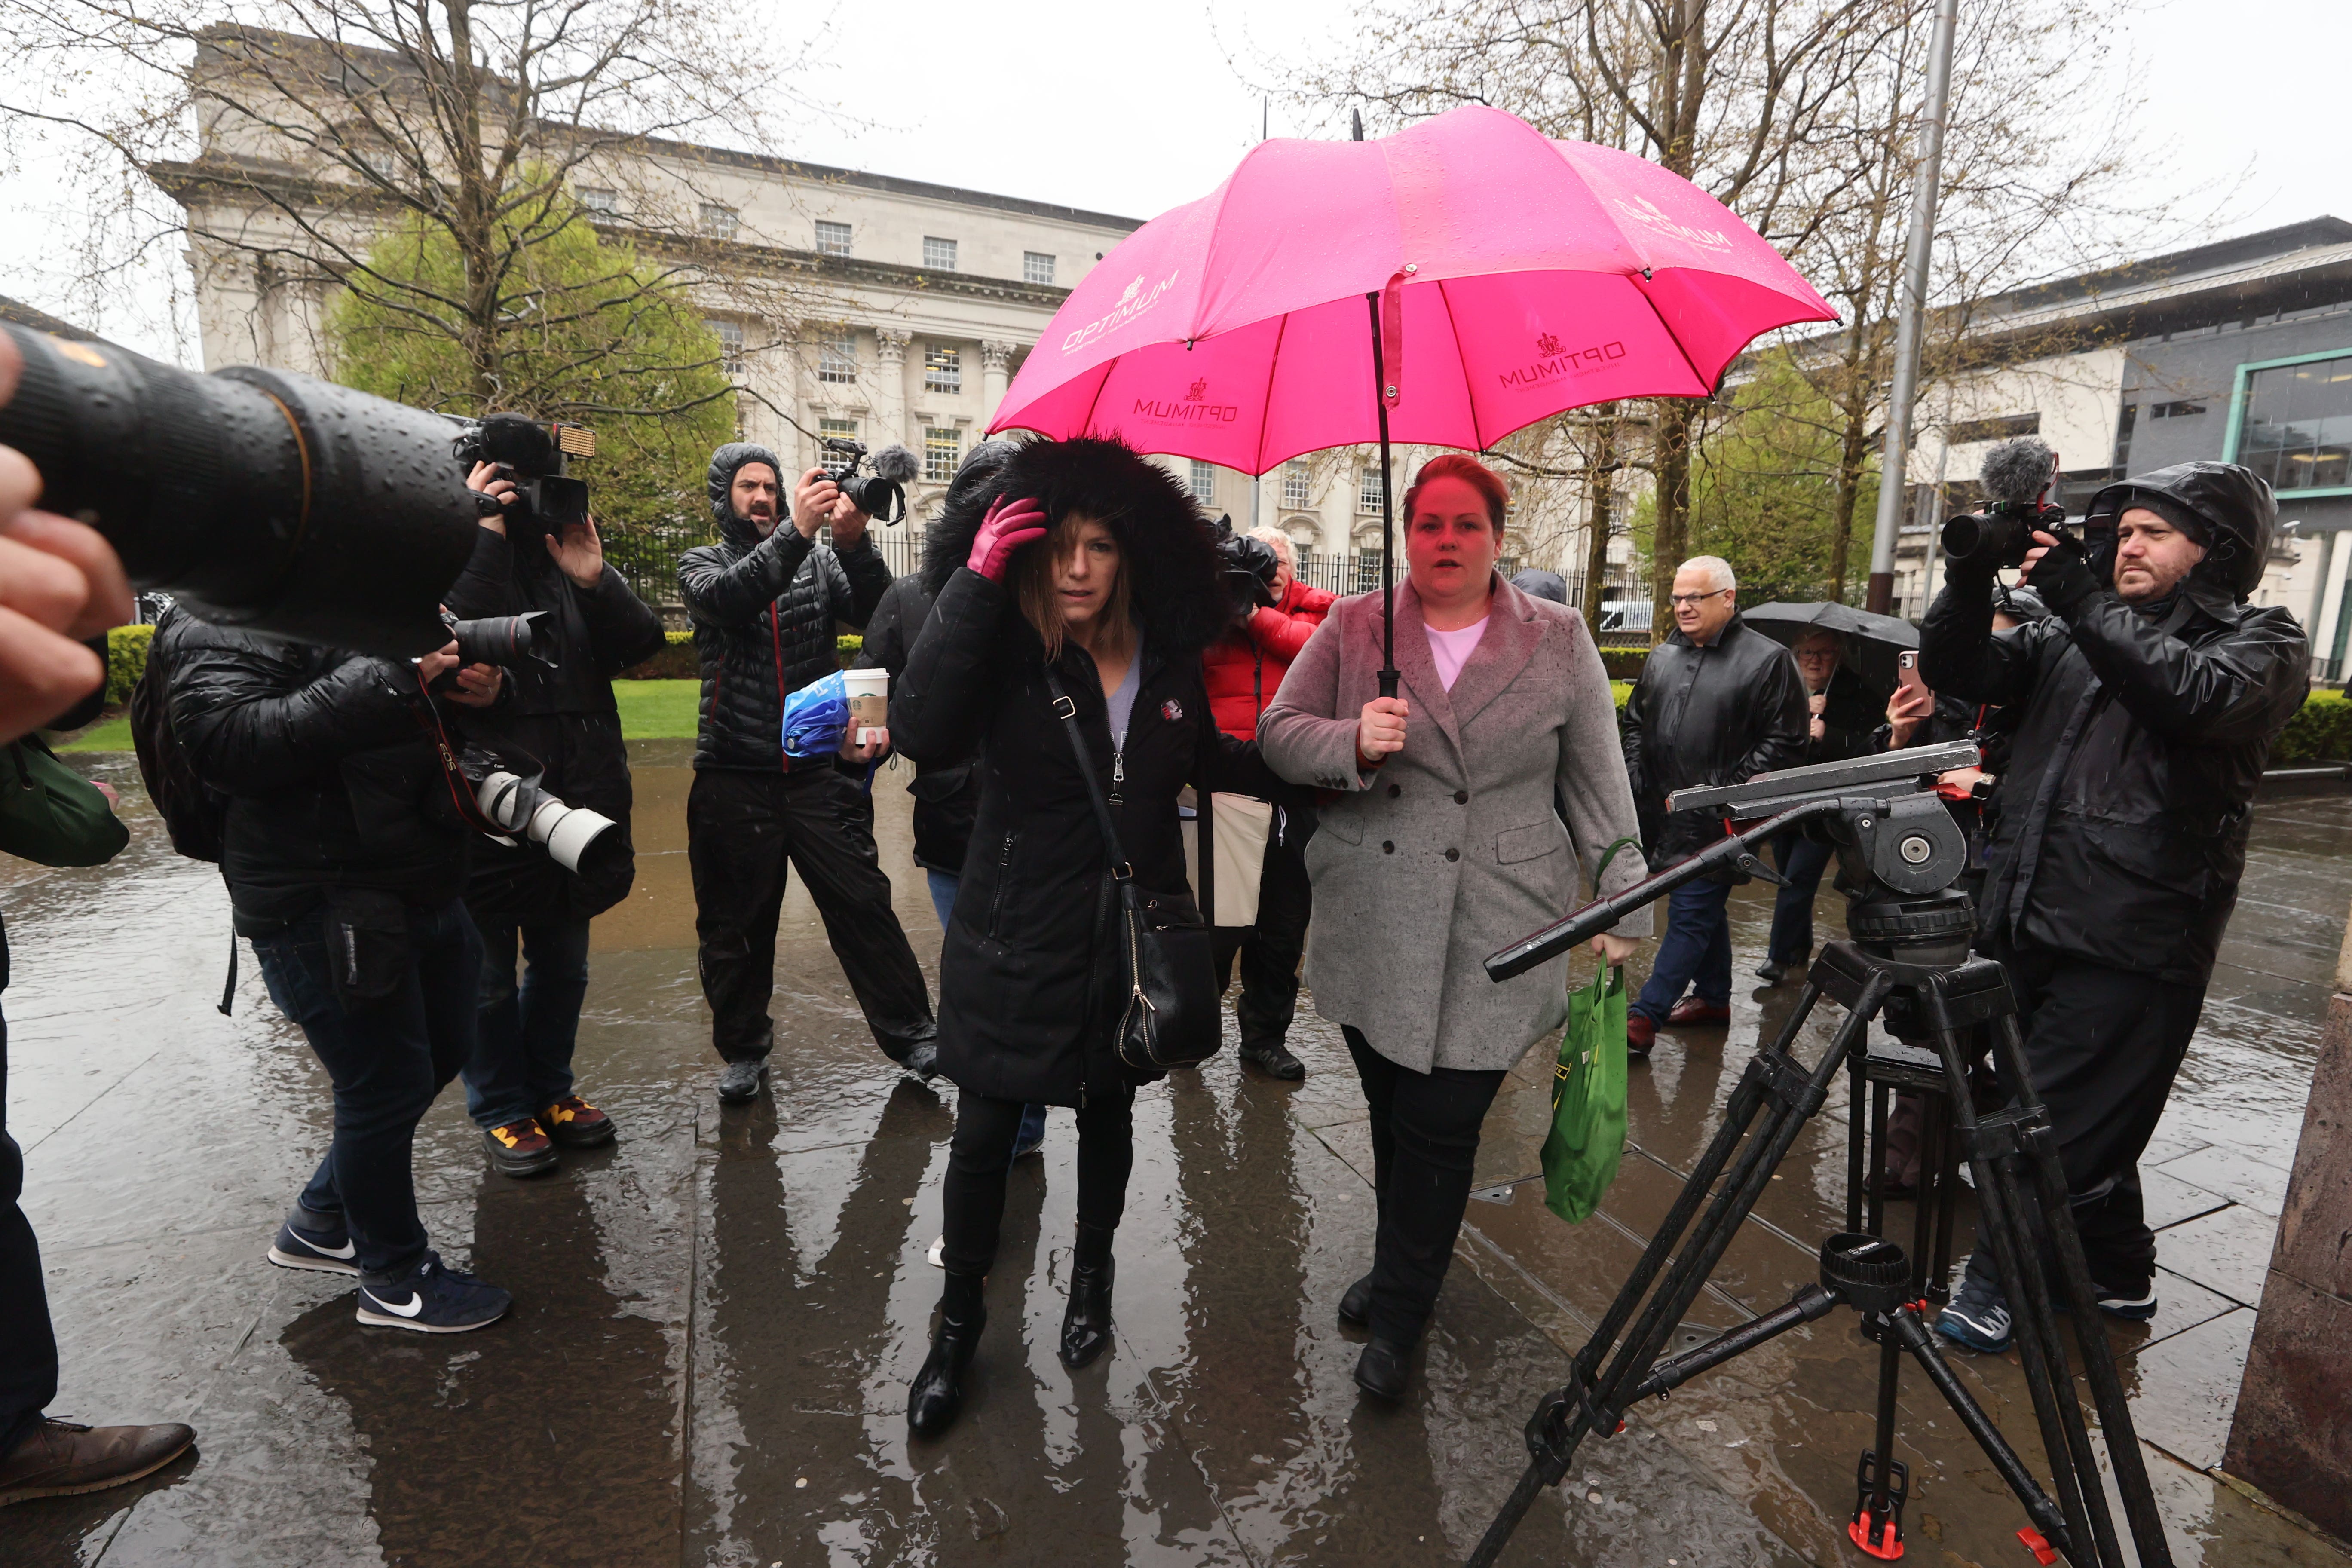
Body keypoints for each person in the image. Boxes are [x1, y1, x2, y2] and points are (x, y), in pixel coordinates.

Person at [1259, 453, 1650, 1401]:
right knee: (1394, 1116)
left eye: (1465, 524)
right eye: (1428, 524)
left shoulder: (1556, 638)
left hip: (1500, 922)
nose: (1445, 541)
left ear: (1498, 537)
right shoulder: (1355, 627)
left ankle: (1401, 1316)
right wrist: (1349, 740)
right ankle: (1406, 1259)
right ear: (1406, 534)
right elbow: (1277, 731)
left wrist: (1619, 900)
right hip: (1371, 911)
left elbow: (1598, 779)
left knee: (1441, 1126)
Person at [891, 435, 1258, 1436]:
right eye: (1057, 546)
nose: (1077, 567)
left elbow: (1215, 766)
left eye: (1098, 545)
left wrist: (1345, 750)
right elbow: (919, 726)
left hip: (1126, 943)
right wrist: (972, 580)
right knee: (979, 1139)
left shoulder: (1169, 659)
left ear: (1131, 553)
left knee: (1108, 1115)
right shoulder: (1009, 653)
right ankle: (958, 1322)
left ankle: (1088, 1277)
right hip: (1014, 935)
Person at [1920, 461, 2307, 1352]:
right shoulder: (2071, 632)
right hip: (2025, 910)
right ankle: (2118, 1276)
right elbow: (1960, 667)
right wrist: (1971, 574)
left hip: (2135, 937)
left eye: (2153, 533)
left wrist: (2085, 601)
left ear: (2215, 550)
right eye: (2121, 531)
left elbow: (2191, 699)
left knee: (2046, 1123)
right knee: (2071, 1109)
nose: (2127, 544)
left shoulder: (2261, 640)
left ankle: (1997, 1289)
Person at [164, 597, 513, 1332]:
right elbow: (229, 744)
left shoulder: (361, 585)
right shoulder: (218, 609)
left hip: (415, 876)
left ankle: (322, 1219)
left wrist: (468, 693)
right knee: (381, 1084)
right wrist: (393, 676)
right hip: (318, 897)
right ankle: (394, 1277)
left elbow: (389, 721)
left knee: (440, 1052)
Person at [679, 442, 936, 1104]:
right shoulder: (701, 564)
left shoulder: (819, 563)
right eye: (748, 488)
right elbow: (735, 599)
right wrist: (800, 530)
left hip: (817, 770)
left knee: (862, 902)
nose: (762, 498)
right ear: (724, 498)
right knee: (734, 928)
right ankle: (743, 1050)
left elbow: (886, 612)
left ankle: (913, 1035)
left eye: (769, 486)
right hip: (733, 773)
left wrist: (851, 544)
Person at [446, 462, 665, 1175]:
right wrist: (481, 534)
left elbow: (640, 645)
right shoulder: (450, 553)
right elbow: (446, 653)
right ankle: (501, 1106)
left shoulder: (558, 560)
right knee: (486, 977)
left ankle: (550, 1090)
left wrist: (594, 577)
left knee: (563, 966)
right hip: (488, 798)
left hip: (578, 793)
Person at [858, 440, 1049, 1169]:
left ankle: (1022, 1124)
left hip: (1034, 833)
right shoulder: (910, 598)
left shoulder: (1048, 597)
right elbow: (872, 690)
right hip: (950, 827)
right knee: (977, 986)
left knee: (1027, 987)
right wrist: (860, 741)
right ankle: (998, 1124)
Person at [1617, 557, 1807, 1054]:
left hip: (1720, 820)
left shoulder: (1768, 661)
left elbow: (1785, 743)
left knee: (1691, 911)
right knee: (1703, 909)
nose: (1682, 607)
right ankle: (1714, 999)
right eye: (1677, 598)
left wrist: (1725, 794)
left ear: (1727, 598)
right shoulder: (1661, 658)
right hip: (1662, 812)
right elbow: (1634, 721)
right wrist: (1640, 777)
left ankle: (1644, 1016)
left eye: (1694, 598)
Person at [1198, 525, 1337, 1081]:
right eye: (1255, 561)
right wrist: (1215, 603)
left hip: (1297, 792)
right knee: (1216, 926)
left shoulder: (1319, 611)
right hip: (1226, 789)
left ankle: (1264, 1038)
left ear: (1293, 566)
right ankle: (1195, 1027)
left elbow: (1315, 652)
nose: (1267, 570)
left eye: (1276, 560)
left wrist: (1252, 614)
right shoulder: (1211, 614)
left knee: (1282, 929)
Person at [1755, 628, 1882, 985]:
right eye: (1806, 652)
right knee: (1790, 877)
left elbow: (1870, 749)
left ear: (1839, 655)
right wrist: (1798, 715)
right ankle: (1799, 947)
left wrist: (1830, 733)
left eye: (1824, 653)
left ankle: (1778, 958)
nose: (1814, 660)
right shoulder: (1784, 689)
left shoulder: (1859, 695)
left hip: (1827, 805)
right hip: (1785, 800)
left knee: (1795, 881)